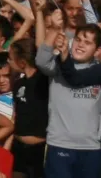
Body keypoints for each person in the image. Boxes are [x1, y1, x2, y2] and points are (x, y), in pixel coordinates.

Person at [36, 24, 101, 178]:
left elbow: (76, 78)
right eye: (78, 39)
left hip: (92, 147)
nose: (80, 45)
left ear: (98, 50)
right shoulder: (58, 65)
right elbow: (41, 60)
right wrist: (53, 29)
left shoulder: (98, 71)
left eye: (88, 42)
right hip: (60, 144)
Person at [9, 38, 48, 178]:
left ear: (22, 62)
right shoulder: (17, 84)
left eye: (10, 58)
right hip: (18, 147)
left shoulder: (44, 80)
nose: (8, 61)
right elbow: (15, 114)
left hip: (40, 149)